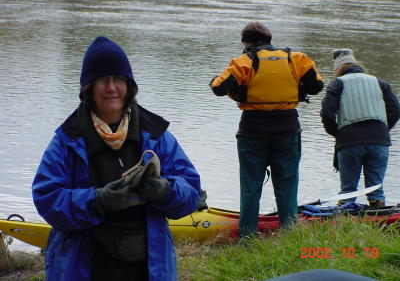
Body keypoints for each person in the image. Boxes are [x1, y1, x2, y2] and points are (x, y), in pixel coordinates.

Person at [32, 36, 201, 281]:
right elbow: (47, 198)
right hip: (85, 265)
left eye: (118, 79)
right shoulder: (67, 139)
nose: (111, 87)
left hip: (148, 267)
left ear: (129, 86)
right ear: (88, 88)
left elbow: (191, 190)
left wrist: (164, 190)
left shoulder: (156, 134)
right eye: (102, 79)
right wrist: (97, 201)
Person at [209, 22, 323, 237]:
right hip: (287, 129)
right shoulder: (296, 59)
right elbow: (316, 87)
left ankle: (248, 238)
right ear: (269, 40)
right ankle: (289, 236)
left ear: (246, 42)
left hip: (253, 130)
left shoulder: (244, 61)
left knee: (250, 187)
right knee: (287, 186)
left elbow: (218, 88)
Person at [320, 48, 400, 208]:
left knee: (348, 190)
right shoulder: (380, 83)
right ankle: (379, 219)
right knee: (376, 189)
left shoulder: (338, 83)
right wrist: (383, 129)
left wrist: (337, 133)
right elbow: (396, 111)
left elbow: (327, 113)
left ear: (338, 69)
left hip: (350, 141)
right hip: (379, 141)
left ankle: (346, 220)